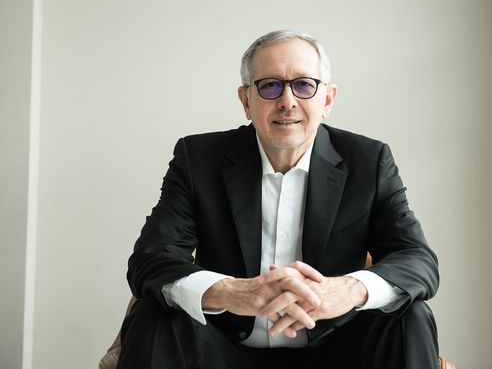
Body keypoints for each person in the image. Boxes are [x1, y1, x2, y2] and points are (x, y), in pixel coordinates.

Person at [117, 30, 440, 369]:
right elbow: (151, 260)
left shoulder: (368, 161)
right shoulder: (198, 159)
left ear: (327, 100)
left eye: (304, 85)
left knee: (411, 315)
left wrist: (347, 290)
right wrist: (231, 293)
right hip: (222, 351)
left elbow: (418, 260)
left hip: (337, 352)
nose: (287, 101)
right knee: (153, 314)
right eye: (270, 85)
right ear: (246, 101)